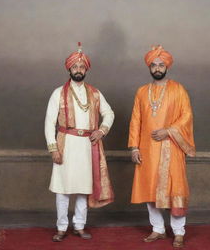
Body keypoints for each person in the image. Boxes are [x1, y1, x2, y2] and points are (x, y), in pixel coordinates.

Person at [45, 42, 114, 242]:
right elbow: (49, 123)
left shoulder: (94, 93)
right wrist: (53, 148)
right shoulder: (58, 92)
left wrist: (102, 130)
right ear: (69, 68)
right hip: (65, 144)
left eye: (81, 67)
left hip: (87, 146)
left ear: (86, 69)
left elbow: (109, 113)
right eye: (75, 67)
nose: (78, 70)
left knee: (84, 189)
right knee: (63, 189)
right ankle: (61, 227)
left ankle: (79, 226)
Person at [128, 45, 195, 248]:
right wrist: (134, 148)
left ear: (167, 66)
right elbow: (135, 120)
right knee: (150, 188)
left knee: (175, 189)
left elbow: (187, 115)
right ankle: (157, 229)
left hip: (171, 147)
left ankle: (179, 232)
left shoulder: (178, 89)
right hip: (148, 149)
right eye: (154, 65)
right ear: (149, 67)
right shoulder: (141, 92)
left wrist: (169, 130)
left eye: (161, 64)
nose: (157, 68)